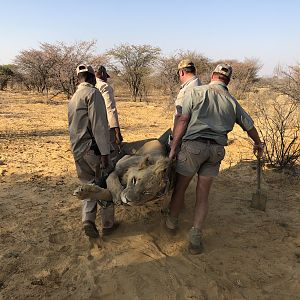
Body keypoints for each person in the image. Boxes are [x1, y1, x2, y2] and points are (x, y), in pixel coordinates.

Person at [166, 63, 264, 255]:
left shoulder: (195, 93)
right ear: (228, 80)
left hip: (193, 148)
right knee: (203, 196)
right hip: (216, 151)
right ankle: (195, 236)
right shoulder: (232, 101)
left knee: (180, 188)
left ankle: (171, 224)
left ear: (212, 75)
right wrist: (258, 143)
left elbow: (183, 119)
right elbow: (249, 125)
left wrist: (174, 147)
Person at [68, 64, 117, 239]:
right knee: (104, 185)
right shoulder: (93, 93)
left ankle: (88, 220)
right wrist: (105, 154)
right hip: (93, 149)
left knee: (88, 186)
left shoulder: (74, 97)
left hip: (77, 149)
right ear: (91, 77)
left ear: (78, 78)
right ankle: (108, 225)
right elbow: (99, 126)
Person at [95, 65, 123, 166]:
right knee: (112, 154)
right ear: (102, 74)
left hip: (91, 127)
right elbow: (110, 109)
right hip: (105, 126)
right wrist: (116, 131)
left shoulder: (90, 86)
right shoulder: (104, 87)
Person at [172, 59, 201, 133]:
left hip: (186, 134)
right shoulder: (202, 87)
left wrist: (174, 138)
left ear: (181, 72)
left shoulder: (186, 90)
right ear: (194, 71)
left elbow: (181, 118)